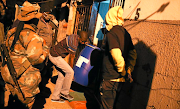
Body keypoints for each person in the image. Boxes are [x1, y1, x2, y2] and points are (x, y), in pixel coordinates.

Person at [1, 1, 49, 108]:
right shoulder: (33, 37)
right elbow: (36, 59)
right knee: (24, 105)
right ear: (35, 19)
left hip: (10, 75)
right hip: (25, 80)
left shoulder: (12, 32)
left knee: (14, 102)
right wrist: (45, 50)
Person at [100, 6, 137, 109]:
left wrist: (124, 71)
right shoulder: (126, 33)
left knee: (106, 106)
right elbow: (133, 53)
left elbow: (116, 55)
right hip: (120, 81)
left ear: (109, 17)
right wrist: (129, 70)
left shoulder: (111, 33)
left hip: (111, 78)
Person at [49, 31, 88, 103]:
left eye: (84, 41)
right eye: (82, 41)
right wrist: (72, 71)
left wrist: (85, 42)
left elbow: (83, 41)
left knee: (61, 76)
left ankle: (55, 97)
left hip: (54, 54)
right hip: (55, 56)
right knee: (70, 72)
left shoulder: (75, 36)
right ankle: (64, 92)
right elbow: (72, 58)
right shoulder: (74, 43)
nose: (82, 43)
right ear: (79, 38)